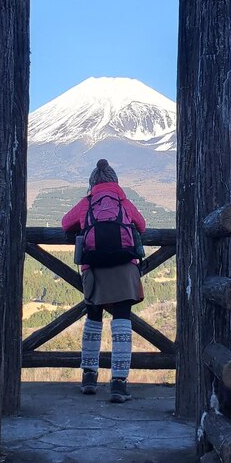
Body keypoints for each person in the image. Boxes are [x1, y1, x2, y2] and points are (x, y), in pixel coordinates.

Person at [61, 158, 146, 403]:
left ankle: (89, 377)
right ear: (115, 181)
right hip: (123, 267)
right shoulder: (124, 202)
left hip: (94, 269)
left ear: (92, 182)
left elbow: (66, 223)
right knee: (121, 321)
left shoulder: (86, 202)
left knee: (93, 319)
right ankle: (119, 383)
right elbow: (142, 225)